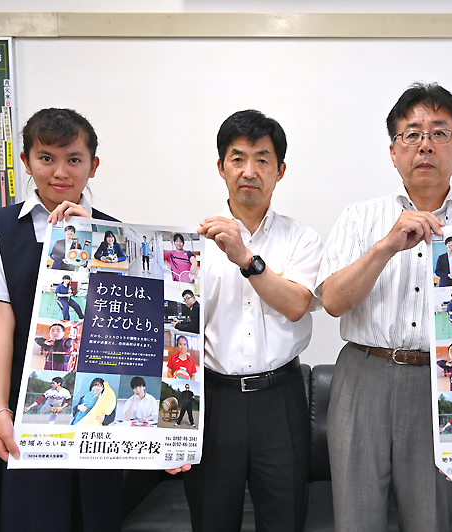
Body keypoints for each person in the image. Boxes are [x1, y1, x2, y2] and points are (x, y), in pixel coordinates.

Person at [317, 83, 452, 531]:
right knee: (355, 517)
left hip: (443, 382)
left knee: (431, 517)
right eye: (412, 134)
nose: (425, 145)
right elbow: (332, 302)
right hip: (363, 374)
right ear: (393, 152)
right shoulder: (359, 218)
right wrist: (386, 246)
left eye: (440, 133)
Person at [0, 107, 123, 531]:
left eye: (74, 159)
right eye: (47, 158)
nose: (60, 172)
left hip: (88, 401)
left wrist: (94, 241)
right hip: (15, 398)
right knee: (23, 516)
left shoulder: (117, 234)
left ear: (93, 166)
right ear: (27, 162)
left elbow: (123, 326)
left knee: (91, 515)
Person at [170, 109, 322, 532]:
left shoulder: (302, 238)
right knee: (211, 520)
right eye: (237, 159)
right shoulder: (189, 246)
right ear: (221, 168)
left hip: (281, 398)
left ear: (280, 170)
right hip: (213, 399)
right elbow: (173, 329)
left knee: (285, 520)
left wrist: (244, 257)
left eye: (262, 159)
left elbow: (296, 304)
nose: (249, 171)